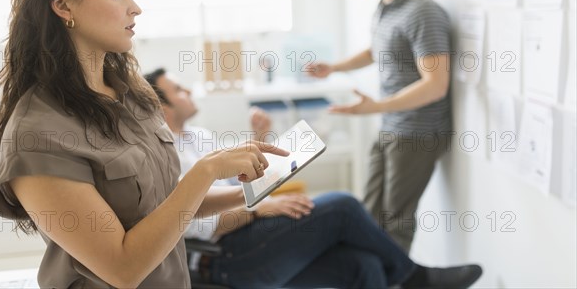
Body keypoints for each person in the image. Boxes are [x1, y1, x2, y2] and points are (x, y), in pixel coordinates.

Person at [0, 0, 289, 288]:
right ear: (63, 6)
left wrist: (253, 188)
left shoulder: (133, 93)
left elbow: (165, 207)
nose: (135, 6)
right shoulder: (36, 136)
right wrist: (206, 170)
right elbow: (123, 269)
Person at [144, 68, 483, 289]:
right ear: (162, 106)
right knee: (343, 206)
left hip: (250, 233)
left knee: (363, 267)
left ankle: (408, 277)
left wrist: (259, 138)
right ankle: (416, 279)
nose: (188, 90)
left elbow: (237, 185)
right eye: (178, 89)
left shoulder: (199, 136)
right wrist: (261, 209)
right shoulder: (163, 155)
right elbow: (198, 226)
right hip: (225, 257)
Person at [308, 0, 453, 253]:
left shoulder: (422, 14)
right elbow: (378, 50)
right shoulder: (387, 6)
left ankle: (391, 279)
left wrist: (376, 107)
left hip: (417, 132)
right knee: (369, 213)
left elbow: (436, 84)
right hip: (390, 123)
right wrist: (334, 67)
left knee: (395, 223)